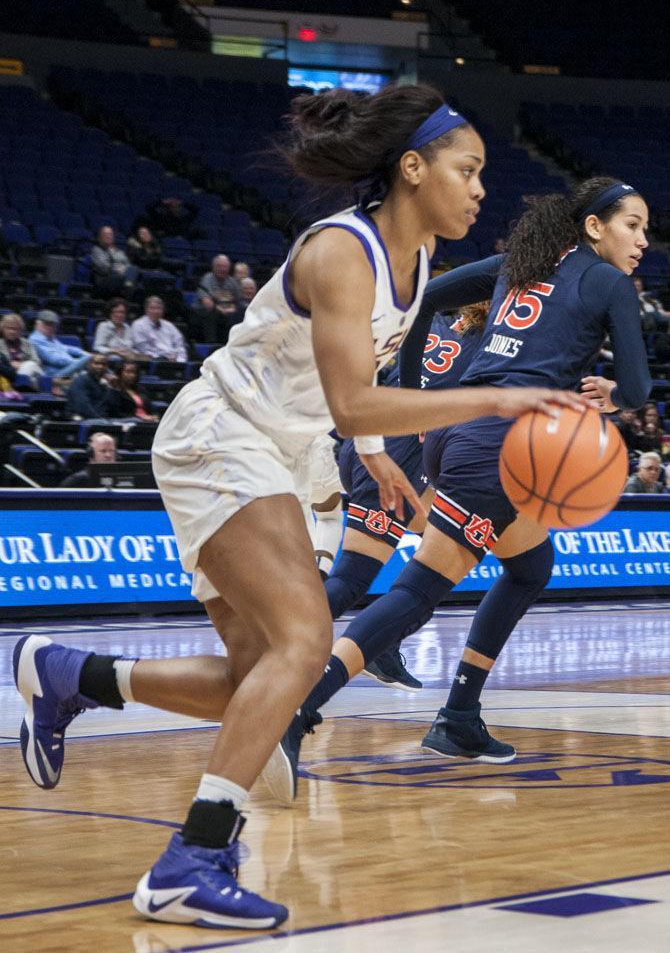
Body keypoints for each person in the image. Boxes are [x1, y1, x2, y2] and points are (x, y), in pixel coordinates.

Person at [12, 84, 582, 932]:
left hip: (285, 447)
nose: (479, 188)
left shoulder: (417, 258)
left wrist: (384, 457)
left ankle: (67, 675)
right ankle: (192, 858)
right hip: (223, 435)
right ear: (413, 167)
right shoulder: (341, 251)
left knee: (260, 683)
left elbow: (354, 391)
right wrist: (491, 401)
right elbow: (354, 402)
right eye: (468, 170)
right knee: (304, 640)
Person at [285, 175, 652, 773]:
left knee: (530, 567)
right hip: (500, 445)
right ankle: (297, 707)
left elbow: (427, 298)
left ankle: (458, 717)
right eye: (632, 226)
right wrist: (612, 394)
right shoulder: (610, 283)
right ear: (594, 226)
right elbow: (637, 388)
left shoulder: (519, 262)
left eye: (646, 231)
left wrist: (408, 399)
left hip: (457, 430)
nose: (642, 242)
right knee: (418, 589)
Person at [332, 303, 489, 692]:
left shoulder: (435, 318)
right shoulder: (490, 347)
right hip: (397, 451)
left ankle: (385, 643)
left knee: (454, 547)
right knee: (352, 577)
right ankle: (281, 651)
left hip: (370, 436)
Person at [29, 310, 91, 379]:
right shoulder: (35, 340)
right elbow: (55, 360)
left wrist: (83, 353)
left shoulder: (51, 338)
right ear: (37, 324)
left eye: (54, 325)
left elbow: (67, 348)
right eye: (47, 324)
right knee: (92, 359)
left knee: (92, 362)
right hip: (56, 374)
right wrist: (79, 363)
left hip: (68, 369)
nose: (51, 327)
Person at [65, 353, 125, 419]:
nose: (100, 366)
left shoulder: (103, 384)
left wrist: (114, 388)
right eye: (97, 363)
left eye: (104, 364)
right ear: (89, 365)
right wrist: (101, 420)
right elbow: (83, 408)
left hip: (103, 420)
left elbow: (113, 409)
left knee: (134, 421)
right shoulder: (81, 380)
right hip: (83, 420)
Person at [130, 296, 188, 363]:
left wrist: (180, 361)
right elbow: (144, 349)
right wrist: (166, 357)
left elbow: (180, 345)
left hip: (173, 361)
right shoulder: (138, 325)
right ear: (146, 310)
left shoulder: (169, 325)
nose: (156, 311)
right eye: (152, 308)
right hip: (150, 361)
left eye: (159, 308)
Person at [91, 226, 139, 299]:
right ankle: (128, 287)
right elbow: (104, 268)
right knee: (123, 276)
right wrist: (117, 270)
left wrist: (124, 270)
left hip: (123, 275)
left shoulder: (119, 251)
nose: (108, 236)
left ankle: (128, 286)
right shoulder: (97, 250)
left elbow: (128, 265)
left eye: (110, 234)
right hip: (106, 279)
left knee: (134, 268)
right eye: (105, 234)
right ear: (100, 237)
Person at [0, 313, 43, 388]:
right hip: (8, 376)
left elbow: (37, 361)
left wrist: (22, 365)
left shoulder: (27, 343)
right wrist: (10, 364)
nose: (12, 332)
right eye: (9, 328)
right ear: (3, 329)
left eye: (15, 329)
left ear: (20, 330)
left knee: (29, 365)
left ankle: (19, 386)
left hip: (29, 372)